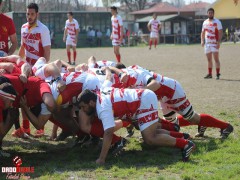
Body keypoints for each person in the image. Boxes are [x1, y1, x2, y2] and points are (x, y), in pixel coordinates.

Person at [110, 65, 234, 139]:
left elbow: (155, 84)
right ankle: (202, 123)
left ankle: (226, 126)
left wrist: (140, 94)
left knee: (192, 118)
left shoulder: (135, 75)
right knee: (173, 125)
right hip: (163, 96)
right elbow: (113, 68)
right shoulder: (125, 74)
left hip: (172, 91)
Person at [76, 88, 195, 165]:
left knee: (150, 138)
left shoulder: (102, 107)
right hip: (142, 99)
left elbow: (108, 133)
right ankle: (182, 136)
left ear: (91, 102)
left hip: (142, 102)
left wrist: (102, 158)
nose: (83, 110)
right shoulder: (100, 93)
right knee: (150, 132)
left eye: (83, 106)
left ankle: (185, 144)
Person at [18, 2, 51, 137]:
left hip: (37, 70)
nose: (29, 17)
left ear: (37, 14)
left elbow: (47, 54)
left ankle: (41, 128)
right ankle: (25, 129)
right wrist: (17, 62)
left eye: (32, 14)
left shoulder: (43, 29)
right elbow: (22, 47)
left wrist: (40, 68)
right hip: (26, 69)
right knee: (23, 96)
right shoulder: (23, 28)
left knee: (37, 100)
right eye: (28, 14)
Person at [201, 8, 223, 80]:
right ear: (207, 14)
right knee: (209, 60)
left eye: (211, 13)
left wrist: (219, 42)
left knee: (216, 59)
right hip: (207, 44)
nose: (210, 14)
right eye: (209, 13)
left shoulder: (217, 22)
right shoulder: (205, 22)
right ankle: (210, 74)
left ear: (213, 13)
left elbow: (220, 32)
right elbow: (203, 32)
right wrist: (202, 41)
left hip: (214, 43)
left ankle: (217, 74)